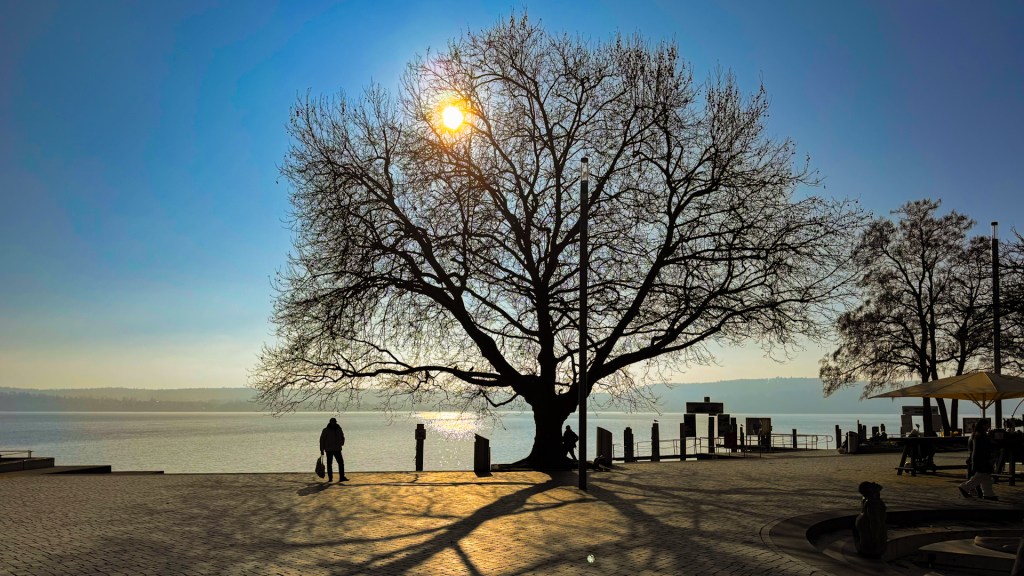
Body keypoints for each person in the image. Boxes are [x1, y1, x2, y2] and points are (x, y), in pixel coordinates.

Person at [959, 419, 997, 500]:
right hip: (982, 459)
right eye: (987, 425)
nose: (988, 427)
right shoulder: (982, 436)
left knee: (986, 477)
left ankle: (988, 494)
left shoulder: (976, 434)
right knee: (981, 475)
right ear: (983, 425)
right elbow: (986, 448)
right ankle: (965, 487)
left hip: (978, 459)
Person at [320, 417, 348, 482]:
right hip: (329, 449)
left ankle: (342, 477)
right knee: (329, 464)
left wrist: (341, 443)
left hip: (337, 449)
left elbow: (342, 437)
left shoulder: (339, 429)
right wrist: (322, 450)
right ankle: (330, 478)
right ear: (330, 422)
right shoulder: (326, 430)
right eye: (333, 422)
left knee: (341, 463)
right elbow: (322, 440)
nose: (334, 423)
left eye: (335, 422)